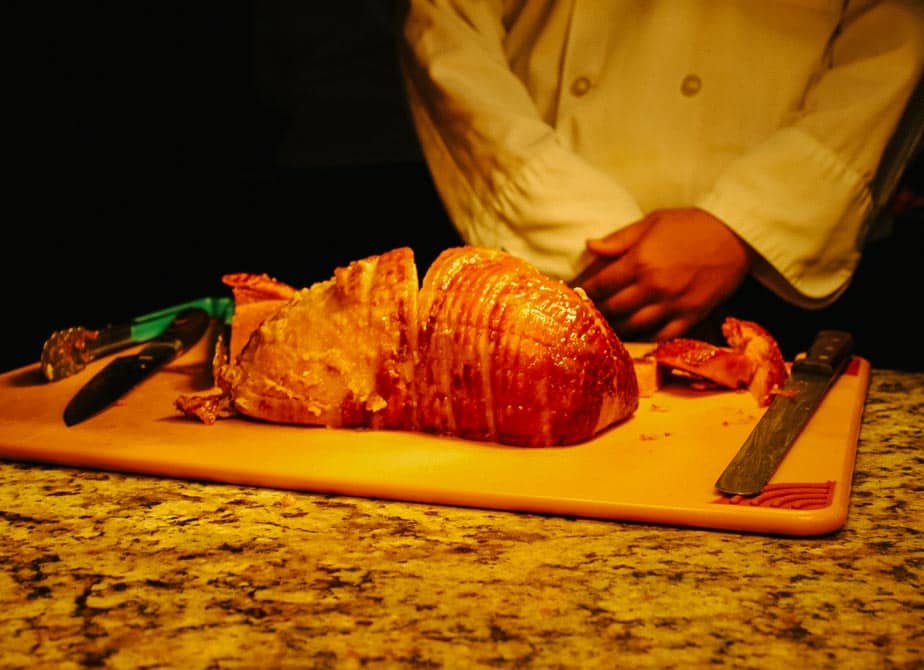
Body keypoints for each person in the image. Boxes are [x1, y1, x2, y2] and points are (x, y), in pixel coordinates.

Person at [396, 0, 924, 351]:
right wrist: (577, 229)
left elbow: (895, 38)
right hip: (548, 265)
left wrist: (746, 223)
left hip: (778, 273)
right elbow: (447, 27)